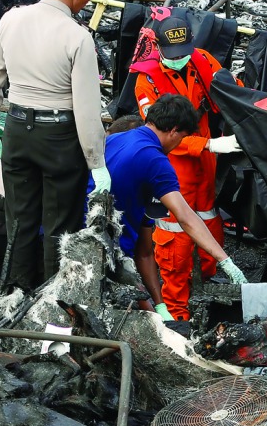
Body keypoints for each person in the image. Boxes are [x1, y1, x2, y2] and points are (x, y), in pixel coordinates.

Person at [0, 0, 111, 291]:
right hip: (60, 139)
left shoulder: (11, 18)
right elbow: (86, 108)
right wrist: (96, 161)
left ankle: (15, 296)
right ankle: (51, 304)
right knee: (60, 227)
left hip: (18, 131)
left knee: (19, 220)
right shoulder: (77, 36)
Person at [132, 12, 241, 322]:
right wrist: (205, 144)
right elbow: (158, 132)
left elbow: (232, 92)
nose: (179, 59)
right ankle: (175, 310)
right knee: (174, 234)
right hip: (172, 160)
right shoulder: (147, 79)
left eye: (184, 53)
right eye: (173, 54)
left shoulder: (202, 60)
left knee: (208, 216)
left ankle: (212, 280)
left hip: (206, 157)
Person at [103, 93, 246, 321]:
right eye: (182, 137)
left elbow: (144, 252)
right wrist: (225, 261)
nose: (179, 144)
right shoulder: (155, 160)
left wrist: (159, 308)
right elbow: (186, 216)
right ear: (174, 131)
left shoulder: (116, 140)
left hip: (86, 238)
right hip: (102, 253)